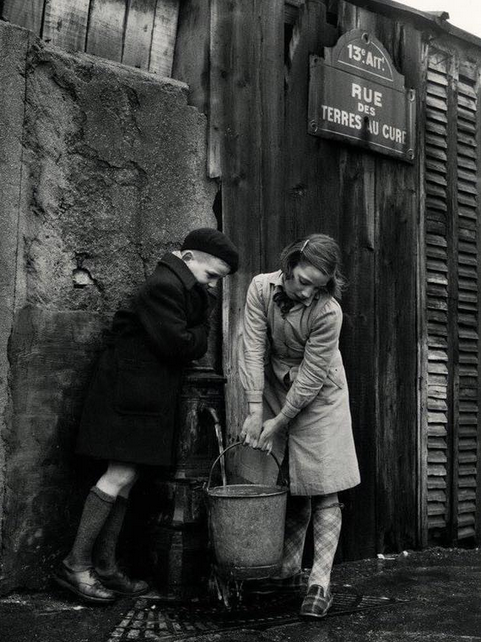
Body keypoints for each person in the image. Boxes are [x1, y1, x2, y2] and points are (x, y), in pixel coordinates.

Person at [54, 228, 239, 604]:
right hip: (129, 395)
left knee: (128, 476)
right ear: (188, 259)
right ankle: (75, 564)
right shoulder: (165, 285)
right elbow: (180, 345)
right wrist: (201, 328)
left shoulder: (179, 286)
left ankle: (105, 566)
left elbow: (185, 336)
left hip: (141, 395)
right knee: (118, 475)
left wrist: (197, 319)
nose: (212, 286)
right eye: (211, 276)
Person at [239, 233, 360, 618]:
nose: (308, 294)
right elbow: (253, 345)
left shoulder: (329, 313)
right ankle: (289, 571)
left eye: (318, 287)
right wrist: (256, 408)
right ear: (289, 266)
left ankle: (319, 584)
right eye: (303, 282)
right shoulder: (260, 287)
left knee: (322, 484)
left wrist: (280, 420)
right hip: (275, 386)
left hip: (321, 394)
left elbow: (310, 376)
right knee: (290, 481)